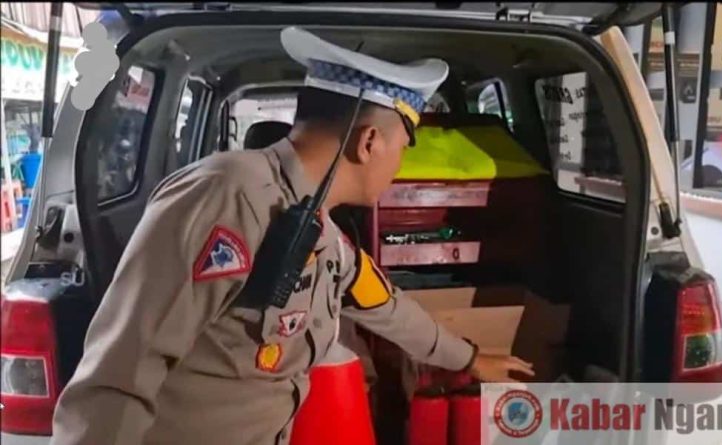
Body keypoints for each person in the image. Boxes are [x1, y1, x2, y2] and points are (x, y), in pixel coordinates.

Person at [51, 26, 534, 445]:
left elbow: (383, 305)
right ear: (369, 142)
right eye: (403, 149)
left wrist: (469, 358)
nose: (399, 166)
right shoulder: (228, 195)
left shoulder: (319, 226)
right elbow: (118, 377)